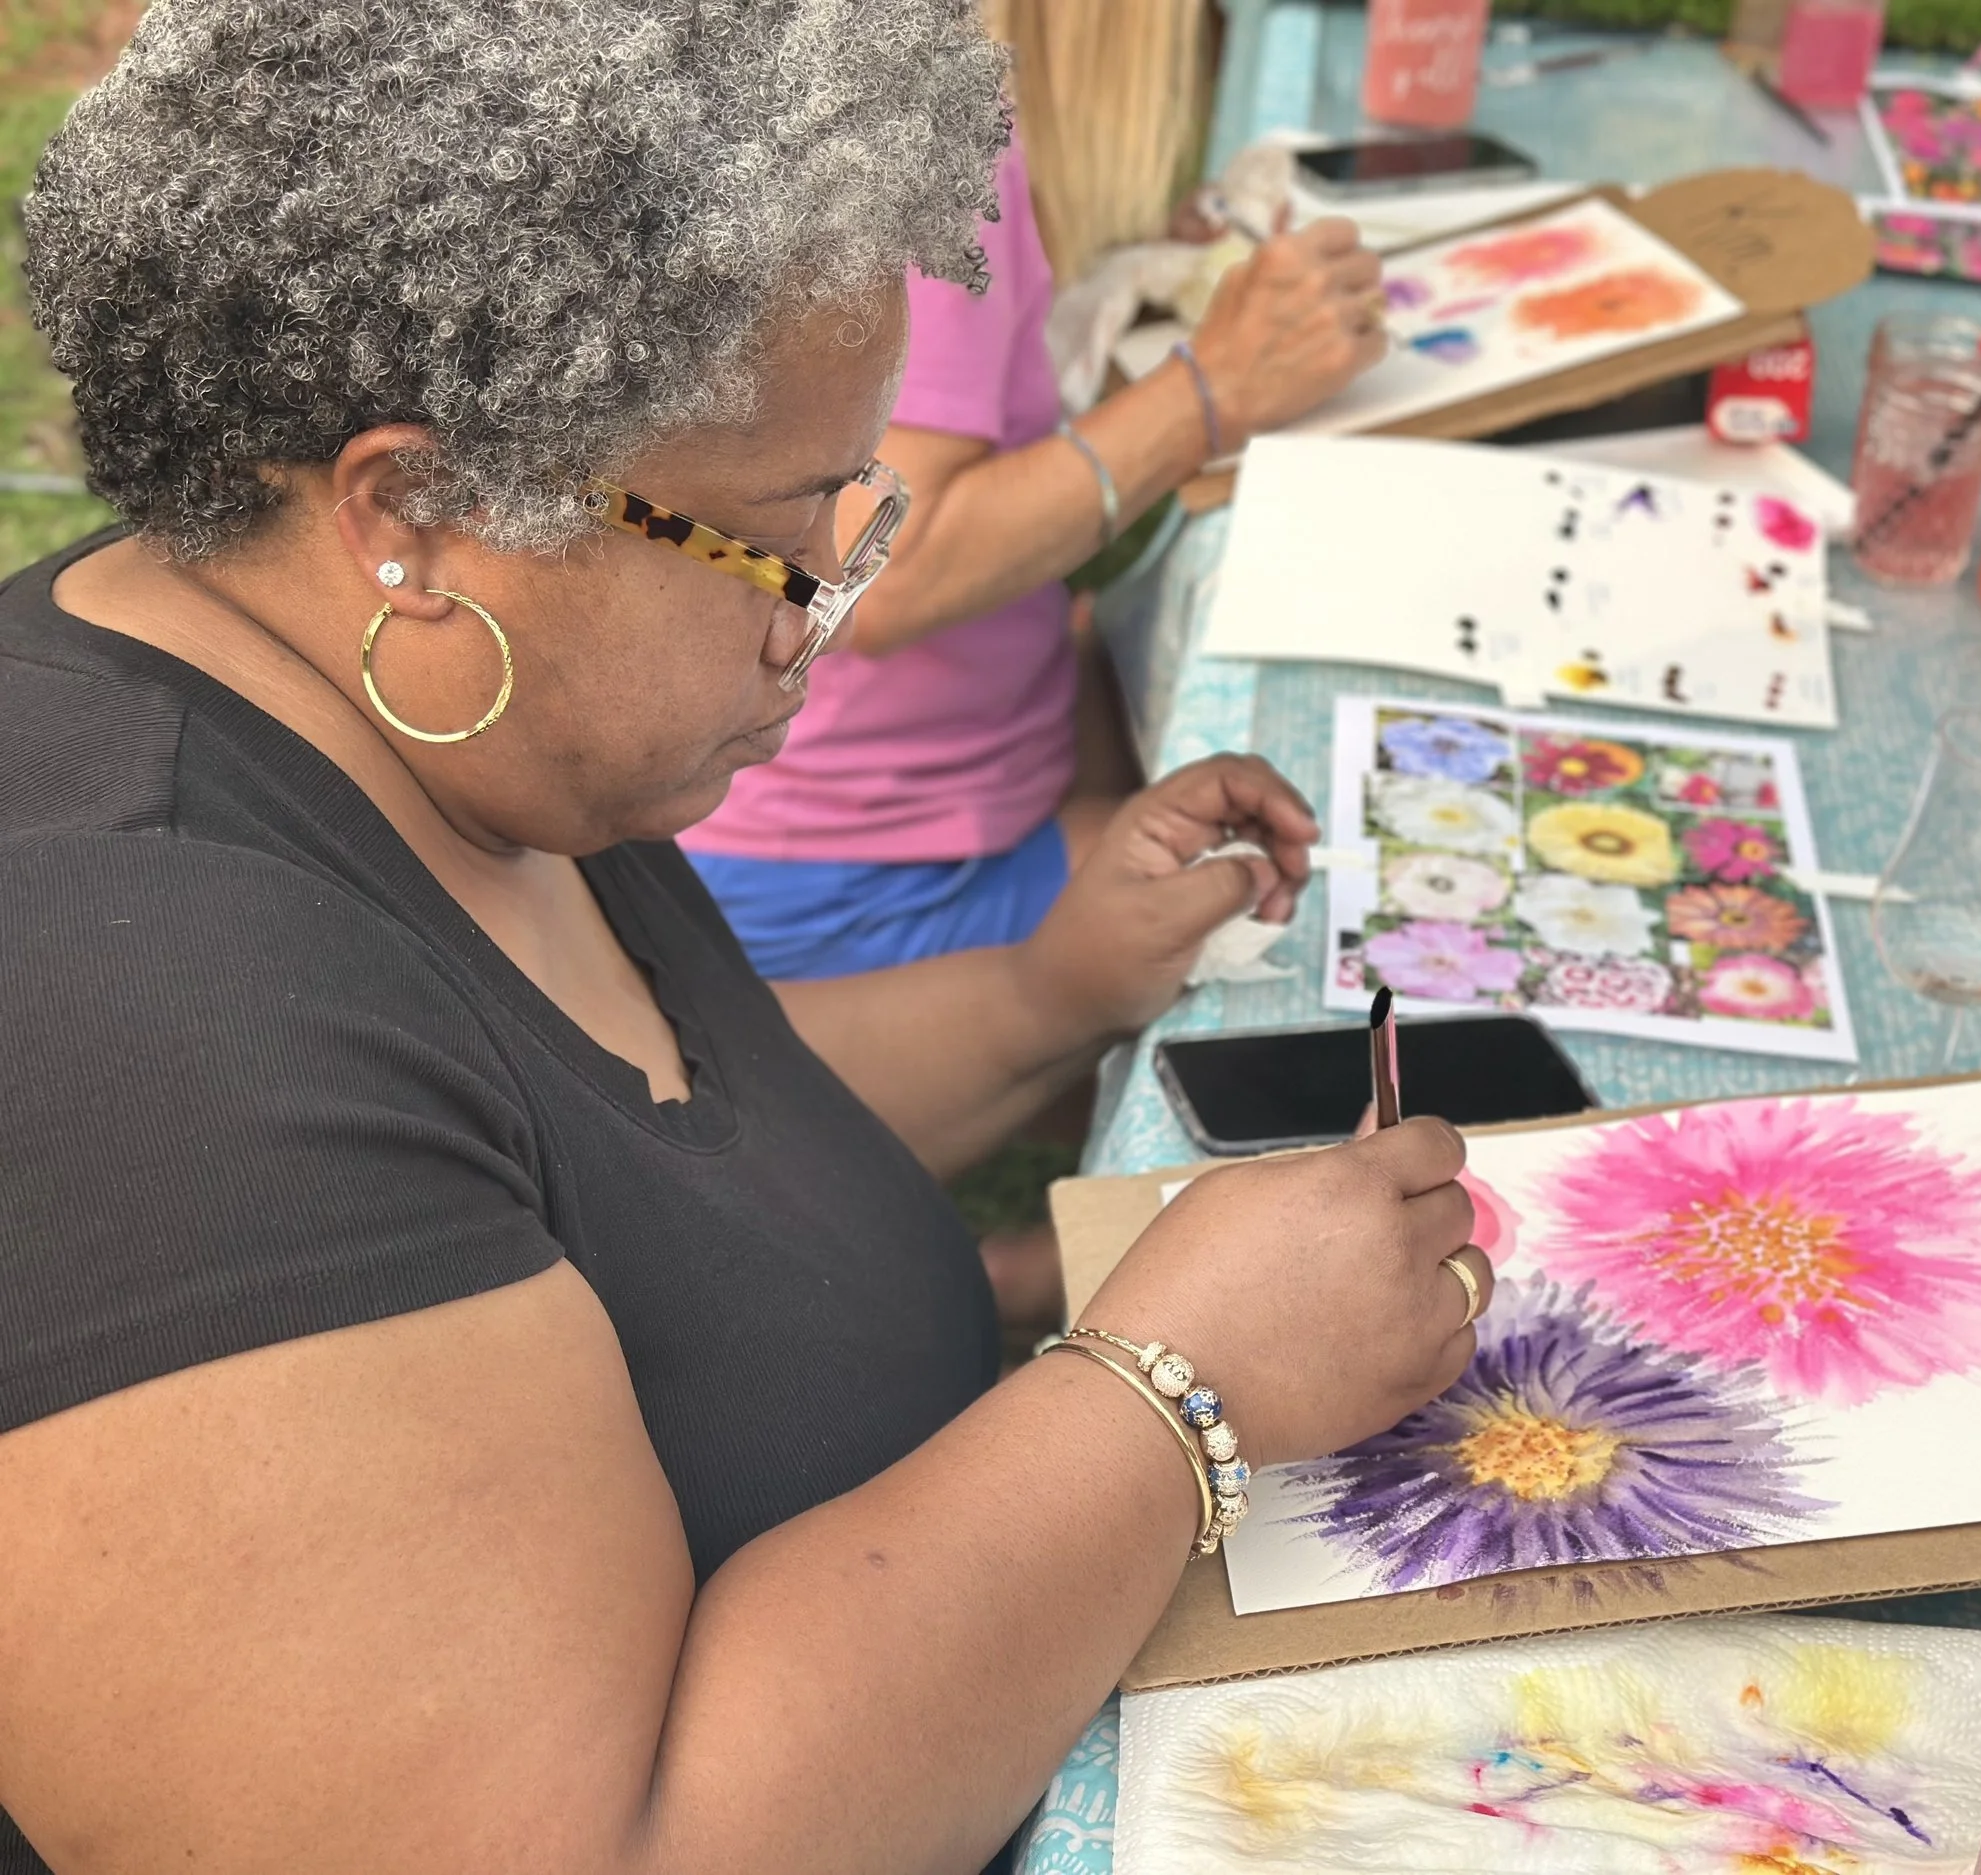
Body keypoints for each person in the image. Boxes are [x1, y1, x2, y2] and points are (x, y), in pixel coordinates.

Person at [0, 6, 1493, 1874]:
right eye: (794, 529)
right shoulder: (128, 1017)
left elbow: (637, 1141)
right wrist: (1177, 1397)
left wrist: (1055, 994)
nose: (823, 620)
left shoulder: (423, 719)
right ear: (423, 513)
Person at [678, 86, 1383, 983]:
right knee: (1313, 899)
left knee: (1207, 767)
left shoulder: (824, 85)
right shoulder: (908, 122)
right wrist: (1214, 391)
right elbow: (872, 577)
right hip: (832, 871)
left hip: (798, 815)